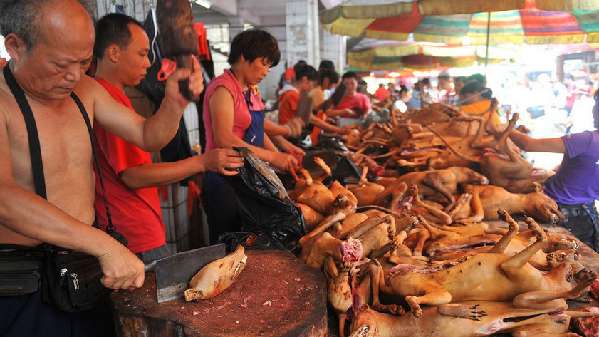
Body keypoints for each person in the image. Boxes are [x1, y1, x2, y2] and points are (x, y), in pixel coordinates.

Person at [0, 0, 203, 336]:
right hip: (24, 280)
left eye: (83, 62)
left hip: (84, 268)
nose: (74, 76)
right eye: (61, 64)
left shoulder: (86, 90)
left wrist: (174, 104)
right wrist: (103, 244)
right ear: (15, 46)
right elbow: (4, 198)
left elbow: (147, 135)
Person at [92, 14, 243, 263]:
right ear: (114, 53)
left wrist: (176, 102)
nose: (149, 62)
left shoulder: (116, 98)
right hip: (132, 233)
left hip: (138, 227)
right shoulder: (104, 97)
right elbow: (133, 175)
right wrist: (202, 162)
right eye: (141, 54)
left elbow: (151, 136)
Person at [202, 29, 298, 243]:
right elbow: (224, 139)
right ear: (244, 57)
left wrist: (280, 156)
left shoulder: (250, 90)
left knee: (250, 244)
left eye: (269, 65)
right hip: (224, 179)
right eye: (264, 63)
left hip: (247, 178)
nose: (267, 71)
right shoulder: (223, 88)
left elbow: (257, 129)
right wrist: (273, 157)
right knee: (227, 242)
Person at [507, 91, 599, 251]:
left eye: (596, 105)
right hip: (587, 216)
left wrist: (503, 128)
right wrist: (553, 173)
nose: (593, 110)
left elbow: (528, 144)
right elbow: (582, 168)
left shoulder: (587, 140)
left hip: (552, 208)